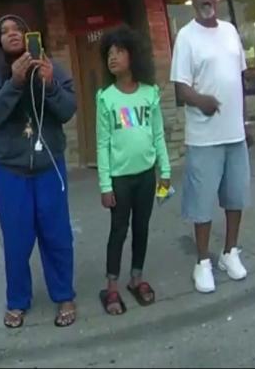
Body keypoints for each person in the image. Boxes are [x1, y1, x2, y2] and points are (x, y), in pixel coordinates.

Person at [0, 15, 78, 329]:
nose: (12, 34)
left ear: (29, 34)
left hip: (49, 167)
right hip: (11, 171)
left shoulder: (52, 67)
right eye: (4, 32)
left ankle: (64, 295)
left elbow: (68, 110)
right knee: (16, 241)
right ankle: (17, 301)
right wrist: (14, 84)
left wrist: (50, 86)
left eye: (17, 28)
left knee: (57, 236)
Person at [171, 0, 251, 294]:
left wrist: (242, 120)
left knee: (236, 198)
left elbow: (239, 77)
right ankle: (202, 261)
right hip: (204, 138)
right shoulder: (186, 37)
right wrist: (201, 100)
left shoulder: (231, 31)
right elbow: (180, 89)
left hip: (235, 135)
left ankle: (230, 253)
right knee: (202, 204)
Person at [95, 27, 172, 315]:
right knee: (119, 230)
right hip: (119, 179)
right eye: (109, 53)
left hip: (145, 176)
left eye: (120, 51)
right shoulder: (105, 98)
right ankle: (112, 287)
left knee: (142, 228)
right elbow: (102, 144)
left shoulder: (150, 93)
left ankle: (136, 278)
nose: (113, 57)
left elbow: (158, 135)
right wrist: (105, 185)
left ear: (133, 55)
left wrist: (164, 171)